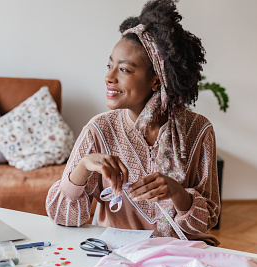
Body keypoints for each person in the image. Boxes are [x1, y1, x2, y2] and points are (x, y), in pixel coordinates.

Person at [46, 0, 220, 245]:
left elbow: (207, 220)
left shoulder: (198, 131)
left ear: (157, 81)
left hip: (179, 257)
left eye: (125, 70)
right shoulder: (99, 130)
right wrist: (83, 166)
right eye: (110, 66)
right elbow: (62, 216)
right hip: (118, 256)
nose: (109, 77)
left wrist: (177, 193)